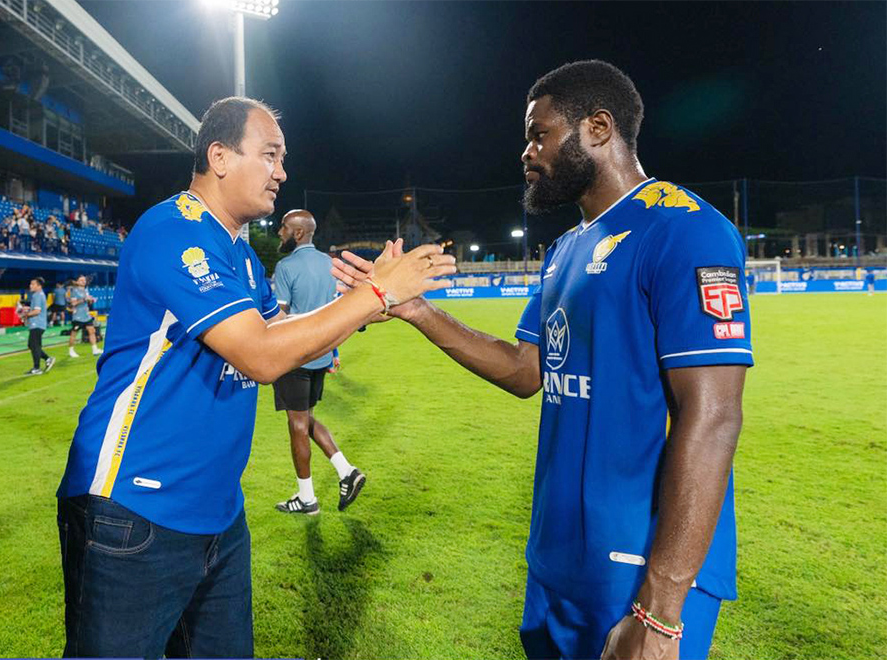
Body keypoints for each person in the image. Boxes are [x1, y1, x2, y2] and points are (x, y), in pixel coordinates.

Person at [332, 60, 752, 660]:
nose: (527, 152)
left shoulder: (685, 231)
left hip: (639, 576)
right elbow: (527, 370)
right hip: (558, 561)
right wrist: (416, 311)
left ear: (599, 128)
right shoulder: (565, 250)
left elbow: (712, 420)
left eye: (539, 134)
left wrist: (660, 612)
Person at [55, 96, 454, 659]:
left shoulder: (237, 249)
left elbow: (285, 332)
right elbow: (261, 356)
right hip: (133, 509)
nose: (282, 172)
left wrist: (368, 303)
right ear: (219, 156)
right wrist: (374, 294)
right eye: (270, 155)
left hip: (217, 511)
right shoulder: (174, 230)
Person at [271, 209, 365, 515]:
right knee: (306, 420)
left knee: (297, 424)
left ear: (298, 233)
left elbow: (281, 316)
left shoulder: (286, 266)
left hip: (295, 355)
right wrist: (333, 351)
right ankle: (345, 471)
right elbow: (337, 313)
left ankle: (308, 498)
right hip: (322, 353)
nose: (279, 233)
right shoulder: (330, 264)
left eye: (284, 228)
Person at [19, 277, 55, 375]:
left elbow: (37, 311)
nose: (30, 286)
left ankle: (37, 368)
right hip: (39, 324)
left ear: (39, 286)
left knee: (34, 345)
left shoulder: (37, 295)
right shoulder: (40, 295)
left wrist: (25, 314)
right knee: (32, 345)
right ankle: (47, 359)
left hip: (37, 324)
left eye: (33, 284)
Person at [66, 274, 102, 357]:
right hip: (78, 316)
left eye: (84, 280)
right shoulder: (74, 291)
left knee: (92, 331)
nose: (84, 281)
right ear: (77, 282)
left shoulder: (85, 290)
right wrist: (85, 299)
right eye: (81, 280)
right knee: (74, 334)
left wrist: (91, 300)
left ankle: (95, 349)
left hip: (86, 315)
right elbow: (73, 303)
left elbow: (87, 301)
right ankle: (71, 351)